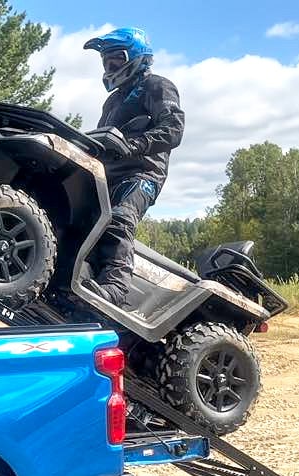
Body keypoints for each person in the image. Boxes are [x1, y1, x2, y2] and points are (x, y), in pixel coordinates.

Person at [82, 27, 185, 306]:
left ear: (136, 56)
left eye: (116, 60)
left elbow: (174, 129)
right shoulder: (113, 100)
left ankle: (116, 287)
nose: (110, 67)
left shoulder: (157, 86)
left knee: (119, 217)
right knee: (84, 222)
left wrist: (135, 144)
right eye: (106, 62)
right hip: (107, 176)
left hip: (143, 173)